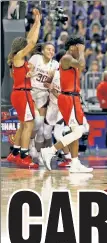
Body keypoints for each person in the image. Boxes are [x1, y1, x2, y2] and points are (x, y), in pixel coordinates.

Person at [40, 36, 93, 173]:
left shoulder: (72, 61)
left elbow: (80, 67)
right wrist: (81, 51)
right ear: (73, 47)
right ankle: (50, 151)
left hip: (72, 98)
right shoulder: (67, 58)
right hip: (69, 98)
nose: (82, 50)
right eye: (80, 47)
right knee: (79, 132)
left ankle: (74, 162)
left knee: (74, 131)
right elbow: (82, 65)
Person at [6, 8, 41, 168]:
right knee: (29, 125)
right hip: (23, 94)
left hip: (18, 93)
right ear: (21, 47)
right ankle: (24, 157)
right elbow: (32, 42)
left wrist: (35, 22)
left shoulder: (17, 59)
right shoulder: (19, 57)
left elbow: (29, 40)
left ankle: (14, 153)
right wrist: (38, 23)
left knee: (22, 124)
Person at [28, 42, 58, 157]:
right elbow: (27, 70)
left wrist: (51, 79)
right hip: (31, 92)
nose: (51, 51)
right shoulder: (36, 58)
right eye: (48, 49)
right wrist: (29, 72)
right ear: (43, 51)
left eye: (53, 50)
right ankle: (30, 144)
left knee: (40, 126)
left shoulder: (54, 64)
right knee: (36, 123)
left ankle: (40, 154)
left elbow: (52, 81)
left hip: (44, 95)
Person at [43, 49, 72, 167]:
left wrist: (52, 89)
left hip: (62, 106)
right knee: (46, 133)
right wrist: (48, 84)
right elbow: (46, 83)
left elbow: (63, 96)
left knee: (58, 134)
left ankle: (68, 158)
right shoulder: (54, 71)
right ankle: (51, 154)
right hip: (52, 106)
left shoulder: (70, 74)